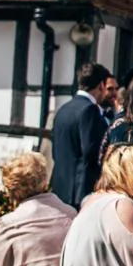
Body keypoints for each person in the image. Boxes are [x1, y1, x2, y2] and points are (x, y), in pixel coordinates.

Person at [51, 63, 116, 209]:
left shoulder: (63, 109)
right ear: (101, 85)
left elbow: (55, 150)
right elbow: (91, 152)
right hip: (80, 191)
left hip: (60, 187)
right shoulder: (89, 110)